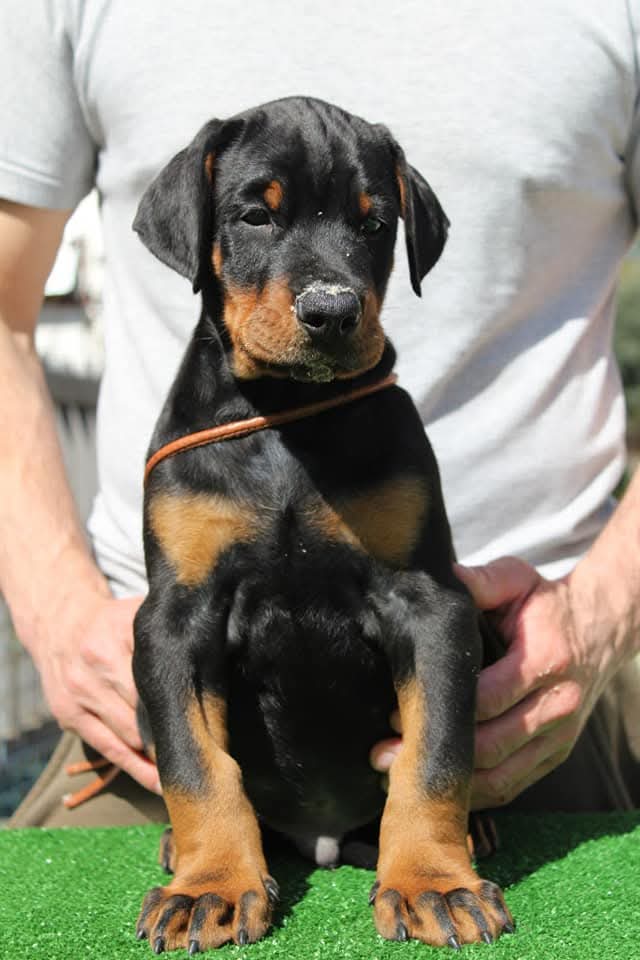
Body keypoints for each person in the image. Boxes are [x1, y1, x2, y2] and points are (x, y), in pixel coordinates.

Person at [1, 0, 639, 829]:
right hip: (147, 714)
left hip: (522, 692)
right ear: (200, 233)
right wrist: (56, 617)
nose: (330, 287)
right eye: (260, 217)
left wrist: (603, 611)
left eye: (370, 228)